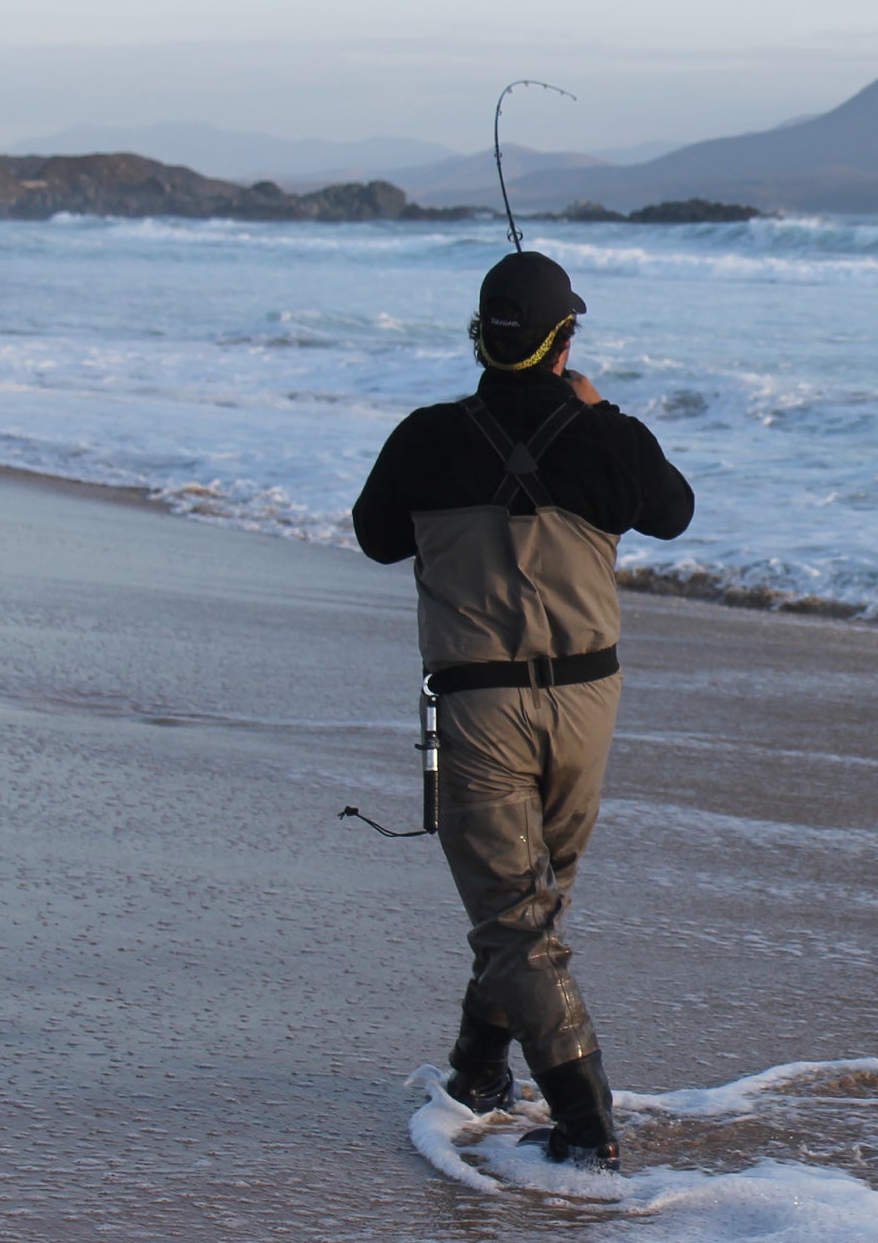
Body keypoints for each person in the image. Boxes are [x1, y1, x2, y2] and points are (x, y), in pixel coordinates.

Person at [352, 250, 694, 1173]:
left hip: (482, 706)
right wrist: (596, 413)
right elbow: (675, 512)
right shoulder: (606, 437)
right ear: (565, 339)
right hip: (590, 702)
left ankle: (588, 1126)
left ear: (480, 335)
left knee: (516, 919)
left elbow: (375, 538)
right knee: (532, 911)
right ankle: (477, 1071)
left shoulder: (425, 437)